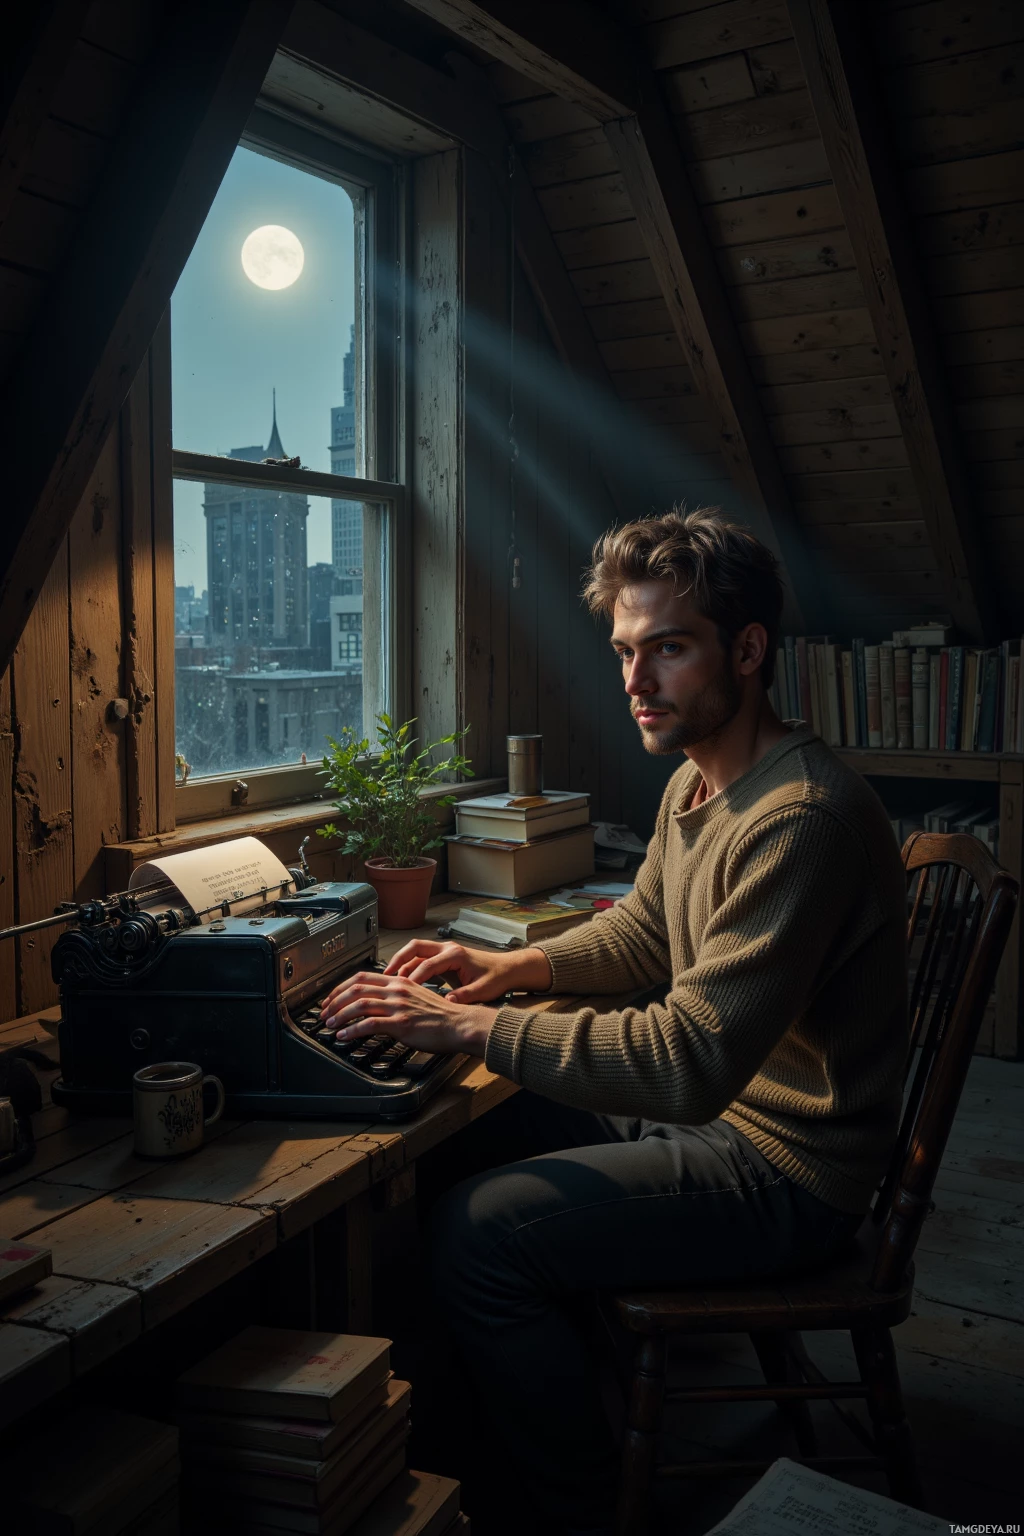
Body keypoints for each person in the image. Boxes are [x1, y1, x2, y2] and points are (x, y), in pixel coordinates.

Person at [320, 508, 909, 1536]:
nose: (635, 679)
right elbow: (644, 933)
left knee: (477, 1237)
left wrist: (467, 1028)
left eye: (668, 649)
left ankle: (577, 1511)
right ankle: (479, 1435)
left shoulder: (800, 819)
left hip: (789, 1169)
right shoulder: (698, 780)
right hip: (725, 1123)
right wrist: (509, 966)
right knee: (468, 1142)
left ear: (747, 651)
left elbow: (690, 1059)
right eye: (625, 651)